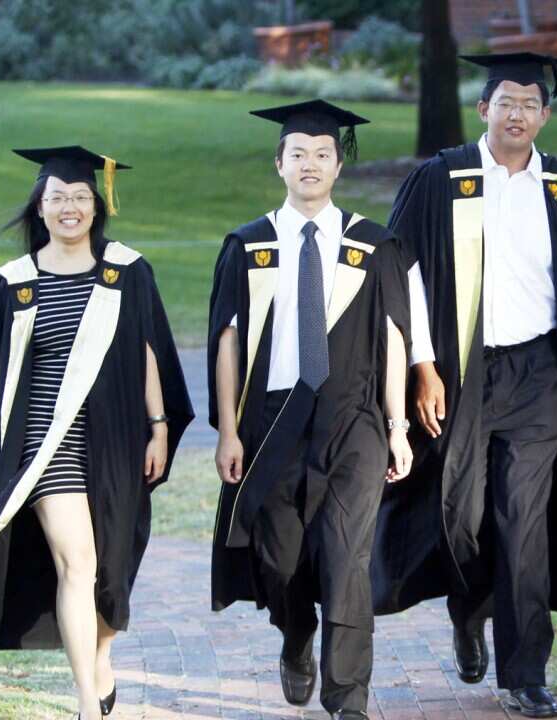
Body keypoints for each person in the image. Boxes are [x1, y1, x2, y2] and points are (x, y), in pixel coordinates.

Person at [370, 53, 557, 718]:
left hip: (539, 375)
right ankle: (468, 608)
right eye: (505, 102)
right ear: (483, 109)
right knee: (464, 515)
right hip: (458, 374)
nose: (517, 114)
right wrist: (422, 365)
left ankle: (524, 673)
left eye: (529, 104)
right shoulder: (440, 179)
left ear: (544, 115)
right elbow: (403, 276)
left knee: (524, 521)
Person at [0, 146, 193, 719]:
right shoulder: (16, 284)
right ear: (39, 208)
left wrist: (159, 426)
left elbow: (147, 352)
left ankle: (101, 657)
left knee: (115, 566)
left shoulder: (127, 273)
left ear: (97, 206)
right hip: (44, 444)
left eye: (80, 198)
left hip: (115, 439)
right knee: (78, 565)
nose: (69, 207)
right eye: (57, 198)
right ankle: (88, 702)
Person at [207, 100, 413, 720]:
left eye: (323, 154)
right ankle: (295, 636)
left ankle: (347, 698)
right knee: (282, 558)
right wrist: (226, 430)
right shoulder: (248, 246)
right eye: (298, 153)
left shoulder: (373, 246)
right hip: (271, 421)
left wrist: (398, 426)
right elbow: (227, 342)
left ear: (339, 164)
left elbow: (396, 338)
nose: (311, 164)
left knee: (347, 555)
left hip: (354, 420)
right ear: (279, 164)